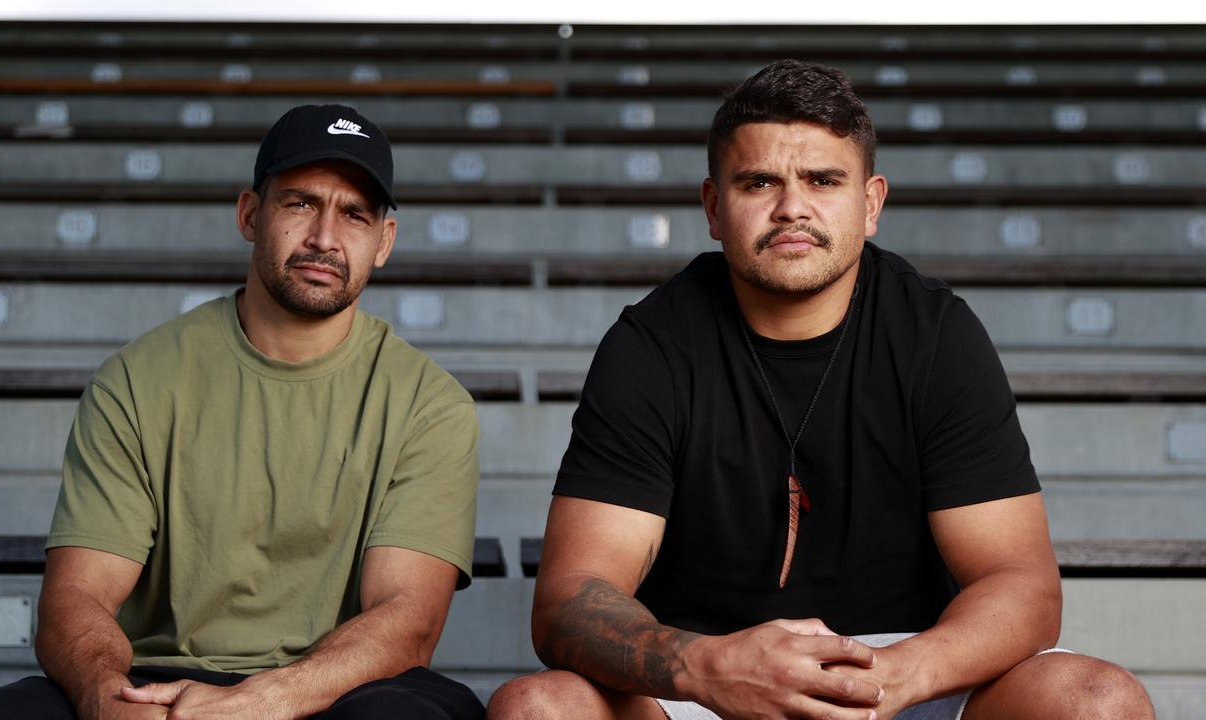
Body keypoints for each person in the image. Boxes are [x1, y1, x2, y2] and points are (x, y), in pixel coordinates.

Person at [486, 61, 1154, 720]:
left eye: (822, 179)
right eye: (757, 182)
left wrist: (886, 681)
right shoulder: (652, 346)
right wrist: (712, 668)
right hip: (708, 677)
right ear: (715, 208)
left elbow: (1022, 585)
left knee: (1097, 704)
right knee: (536, 707)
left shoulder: (935, 335)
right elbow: (571, 598)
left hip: (904, 668)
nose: (791, 207)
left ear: (870, 204)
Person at [0, 104, 485, 720]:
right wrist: (106, 697)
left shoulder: (429, 405)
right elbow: (77, 596)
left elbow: (407, 620)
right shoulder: (139, 380)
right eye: (301, 203)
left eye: (354, 214)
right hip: (156, 677)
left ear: (383, 242)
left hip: (337, 690)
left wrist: (262, 702)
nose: (325, 238)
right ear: (251, 215)